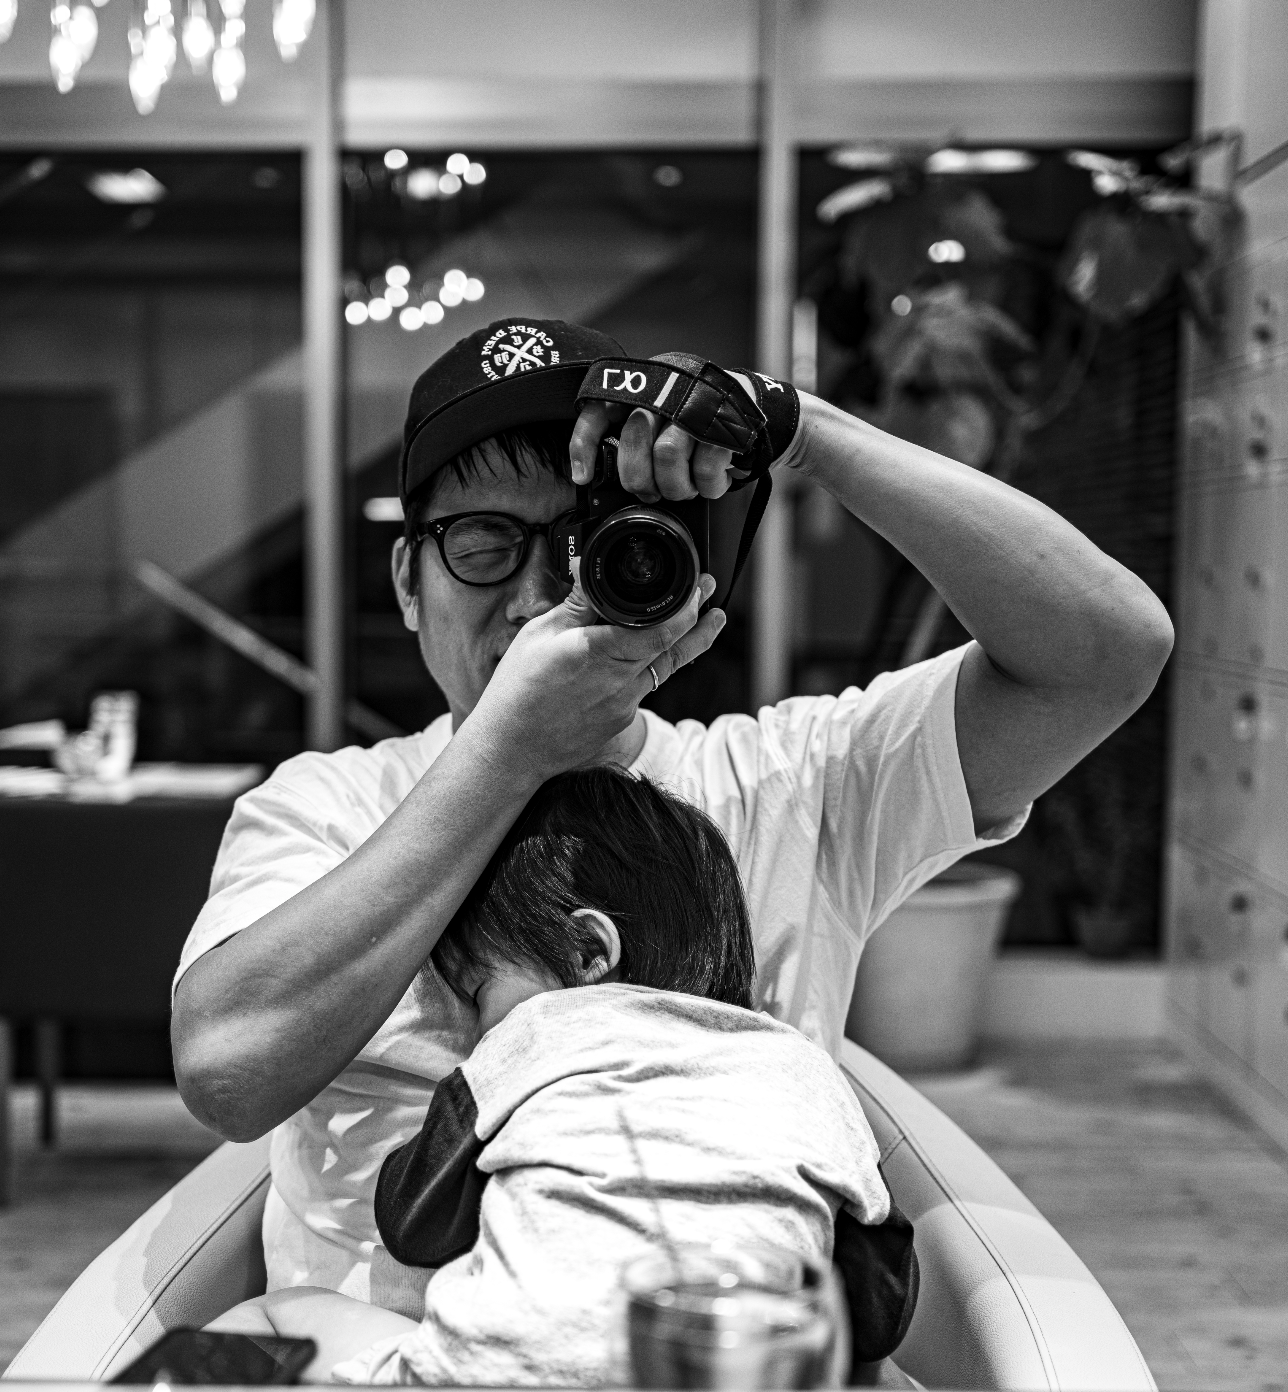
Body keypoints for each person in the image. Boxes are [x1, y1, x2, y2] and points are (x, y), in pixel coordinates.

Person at [171, 318, 1174, 1316]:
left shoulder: (788, 779)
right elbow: (226, 1071)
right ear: (406, 582)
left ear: (670, 566)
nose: (534, 599)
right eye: (482, 544)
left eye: (585, 544)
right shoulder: (327, 805)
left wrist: (804, 433)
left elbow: (1107, 656)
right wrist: (511, 752)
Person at [210, 766, 895, 1387]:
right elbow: (880, 1301)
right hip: (727, 1372)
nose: (475, 1032)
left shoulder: (530, 1037)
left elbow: (412, 1223)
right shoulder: (804, 1068)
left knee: (279, 1315)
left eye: (480, 992)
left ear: (589, 950)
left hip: (492, 1378)